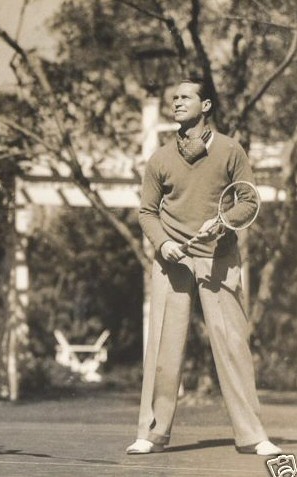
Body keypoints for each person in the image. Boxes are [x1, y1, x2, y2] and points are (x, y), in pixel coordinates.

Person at [126, 78, 282, 456]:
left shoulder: (231, 150)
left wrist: (224, 220)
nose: (177, 103)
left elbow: (247, 200)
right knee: (164, 346)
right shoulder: (160, 158)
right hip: (172, 260)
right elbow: (147, 212)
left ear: (206, 105)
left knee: (232, 345)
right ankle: (152, 433)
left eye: (185, 97)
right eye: (173, 98)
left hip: (219, 256)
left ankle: (252, 435)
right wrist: (164, 244)